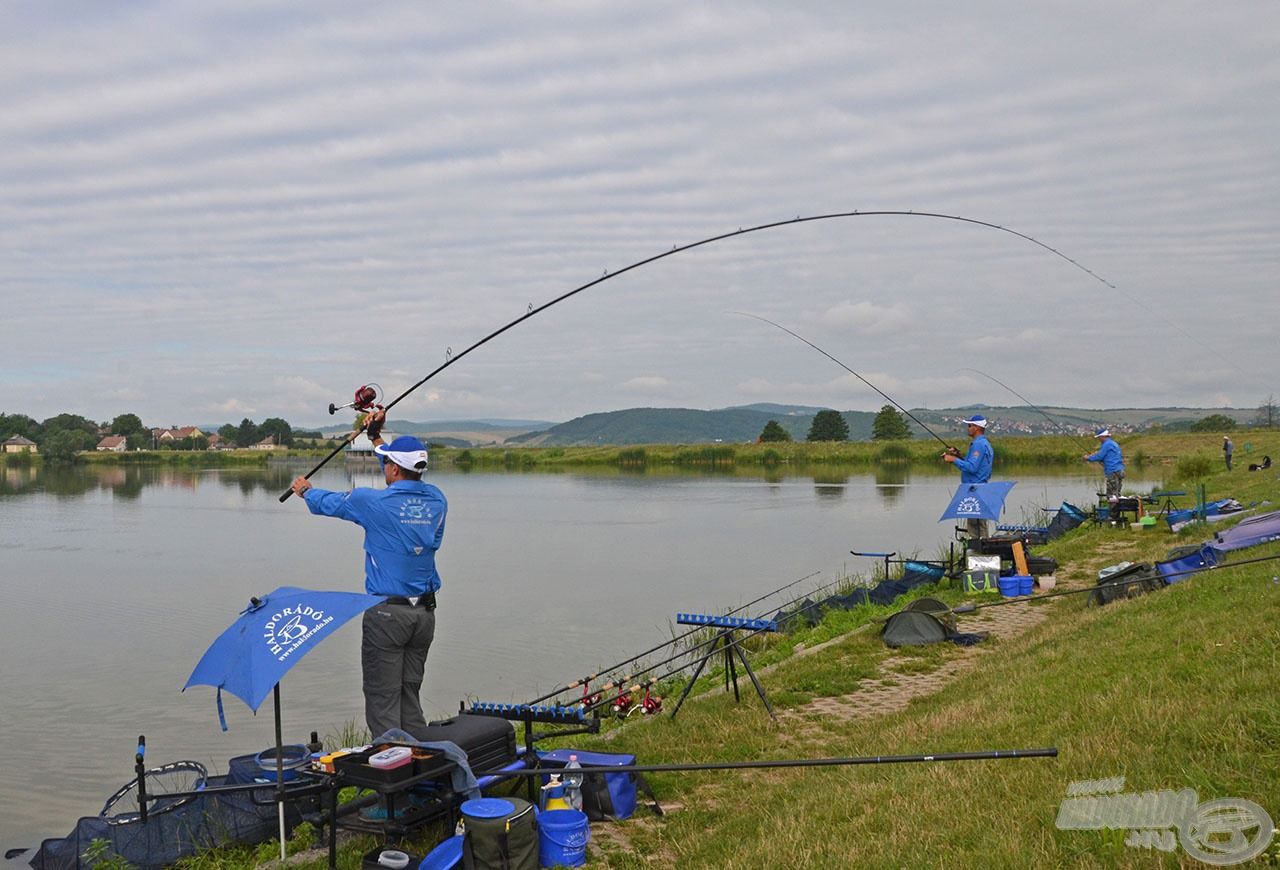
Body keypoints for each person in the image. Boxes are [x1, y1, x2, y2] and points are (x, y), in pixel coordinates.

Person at [291, 408, 447, 740]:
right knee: (409, 697)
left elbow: (330, 503)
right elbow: (396, 476)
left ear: (393, 468)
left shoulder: (370, 503)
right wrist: (377, 437)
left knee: (382, 702)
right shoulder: (437, 500)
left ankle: (394, 775)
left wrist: (305, 490)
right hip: (423, 616)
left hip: (387, 616)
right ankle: (424, 767)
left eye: (387, 464)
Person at [943, 414, 994, 538]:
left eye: (970, 425)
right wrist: (958, 455)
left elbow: (972, 468)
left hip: (975, 488)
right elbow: (973, 463)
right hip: (978, 487)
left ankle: (979, 551)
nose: (968, 428)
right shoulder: (983, 443)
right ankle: (980, 549)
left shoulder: (978, 445)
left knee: (976, 525)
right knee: (978, 522)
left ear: (976, 427)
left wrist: (953, 459)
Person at [1084, 428, 1125, 499]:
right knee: (1117, 493)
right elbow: (1109, 456)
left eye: (1099, 437)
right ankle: (1117, 509)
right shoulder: (1114, 443)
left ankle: (1113, 509)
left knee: (1111, 496)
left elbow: (1099, 456)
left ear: (1103, 436)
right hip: (1119, 470)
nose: (1099, 439)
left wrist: (1088, 458)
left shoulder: (1106, 444)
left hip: (1112, 471)